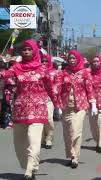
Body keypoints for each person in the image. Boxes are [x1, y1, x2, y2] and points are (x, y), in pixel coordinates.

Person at [0, 39, 53, 180]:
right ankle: (28, 166)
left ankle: (30, 171)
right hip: (20, 109)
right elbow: (4, 75)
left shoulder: (42, 69)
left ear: (34, 51)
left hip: (38, 109)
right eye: (24, 49)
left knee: (34, 142)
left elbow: (50, 87)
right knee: (19, 144)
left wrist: (57, 103)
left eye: (29, 49)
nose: (26, 52)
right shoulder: (16, 67)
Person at [55, 50, 96, 169]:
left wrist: (93, 104)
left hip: (80, 107)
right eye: (70, 58)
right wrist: (57, 106)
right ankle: (72, 155)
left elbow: (89, 89)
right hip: (66, 106)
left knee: (75, 131)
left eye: (74, 58)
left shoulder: (84, 73)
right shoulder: (63, 73)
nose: (72, 60)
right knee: (67, 133)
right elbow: (57, 89)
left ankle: (75, 158)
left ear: (78, 59)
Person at [40, 54, 57, 149]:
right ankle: (42, 138)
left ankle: (49, 138)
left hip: (49, 99)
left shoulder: (54, 73)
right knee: (40, 120)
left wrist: (54, 90)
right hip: (37, 99)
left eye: (46, 61)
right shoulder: (37, 72)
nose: (44, 63)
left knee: (49, 119)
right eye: (42, 60)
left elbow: (57, 84)